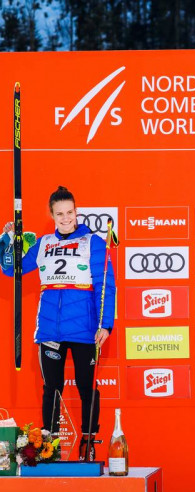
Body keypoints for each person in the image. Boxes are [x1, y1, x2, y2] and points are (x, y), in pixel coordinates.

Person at [1, 186, 116, 460]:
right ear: (52, 216)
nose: (66, 218)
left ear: (76, 212)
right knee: (52, 388)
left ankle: (88, 445)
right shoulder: (43, 243)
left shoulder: (93, 243)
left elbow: (105, 286)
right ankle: (48, 448)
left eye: (70, 212)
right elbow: (10, 268)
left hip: (85, 329)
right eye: (60, 214)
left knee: (87, 387)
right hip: (50, 328)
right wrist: (7, 239)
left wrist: (106, 324)